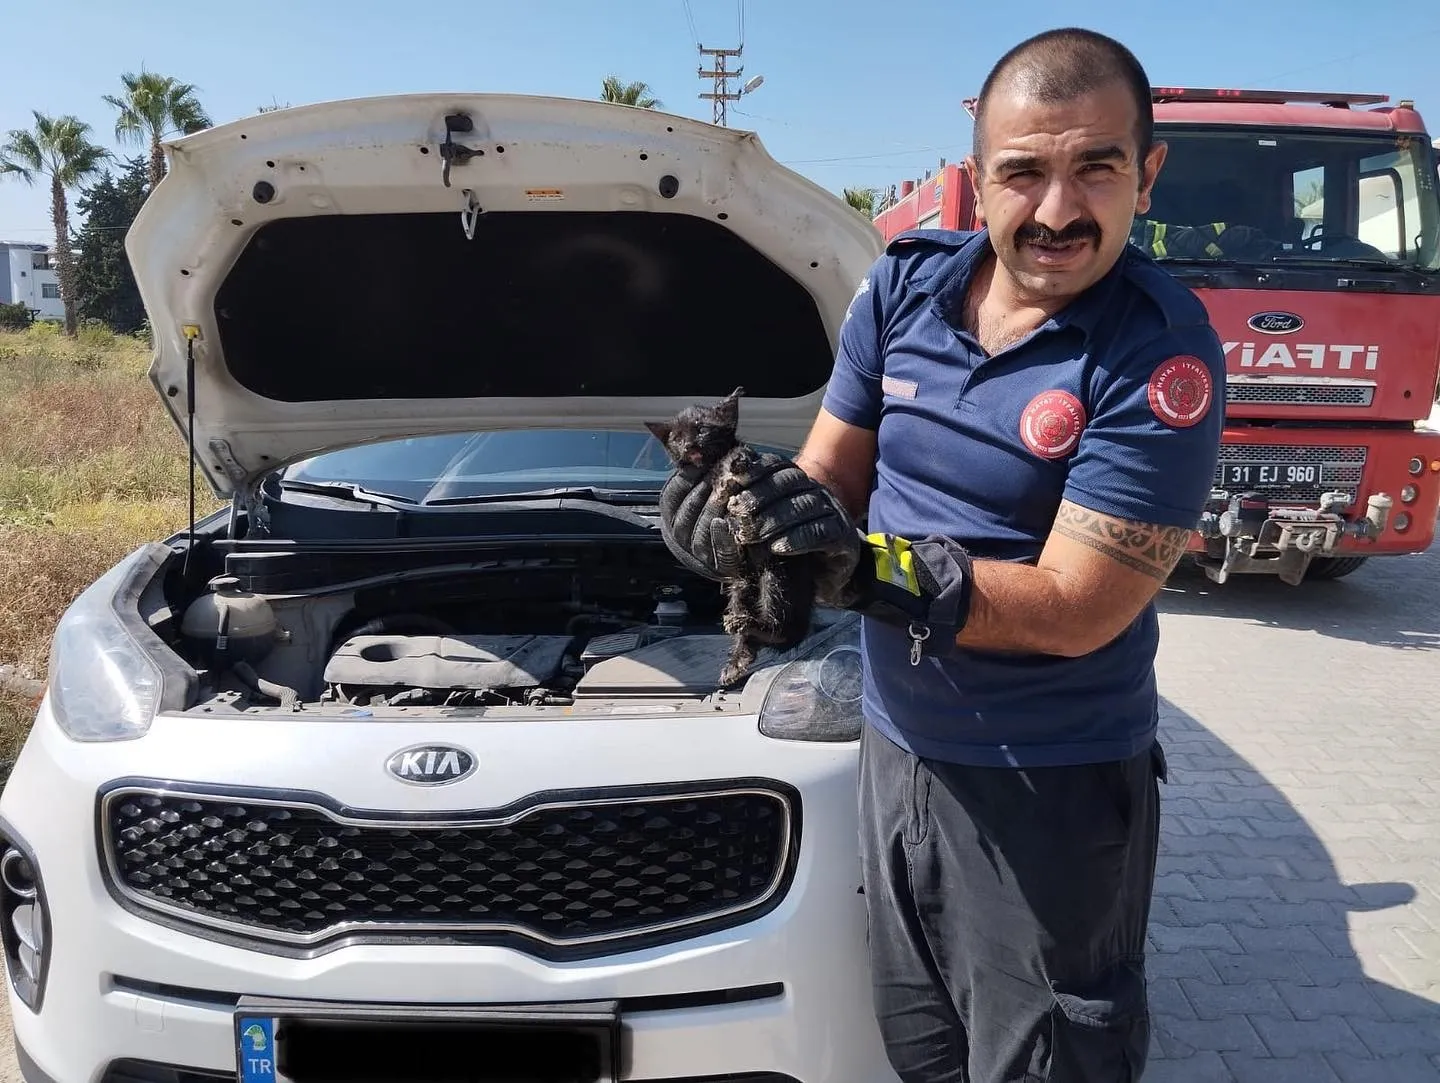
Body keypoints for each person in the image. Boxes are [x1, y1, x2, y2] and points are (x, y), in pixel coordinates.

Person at [658, 26, 1226, 1083]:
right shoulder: (903, 290)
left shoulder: (1159, 352)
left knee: (1045, 1065)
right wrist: (743, 522)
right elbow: (832, 476)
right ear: (978, 179)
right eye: (1024, 173)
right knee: (920, 1052)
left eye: (1096, 167)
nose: (1057, 212)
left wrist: (864, 570)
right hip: (894, 752)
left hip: (1046, 791)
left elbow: (1078, 603)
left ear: (1147, 174)